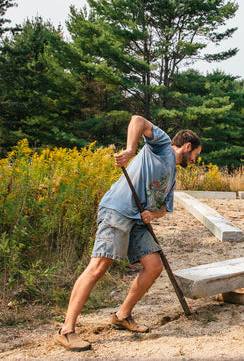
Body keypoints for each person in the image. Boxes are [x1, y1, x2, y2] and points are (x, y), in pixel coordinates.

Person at [54, 115, 201, 351]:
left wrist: (153, 214)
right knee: (99, 267)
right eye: (195, 154)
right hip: (119, 209)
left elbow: (164, 208)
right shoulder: (161, 145)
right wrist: (131, 149)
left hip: (138, 221)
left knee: (154, 266)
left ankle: (122, 316)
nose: (194, 160)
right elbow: (137, 120)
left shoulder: (172, 175)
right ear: (186, 146)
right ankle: (66, 330)